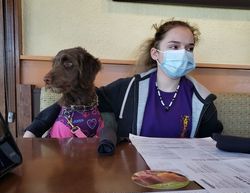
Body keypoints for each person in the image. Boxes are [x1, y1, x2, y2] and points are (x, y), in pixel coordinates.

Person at [24, 19, 223, 144]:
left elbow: (210, 144)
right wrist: (36, 128)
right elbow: (78, 100)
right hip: (132, 174)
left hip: (180, 178)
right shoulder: (127, 89)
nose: (183, 53)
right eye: (174, 46)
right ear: (156, 53)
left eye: (189, 48)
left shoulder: (203, 101)